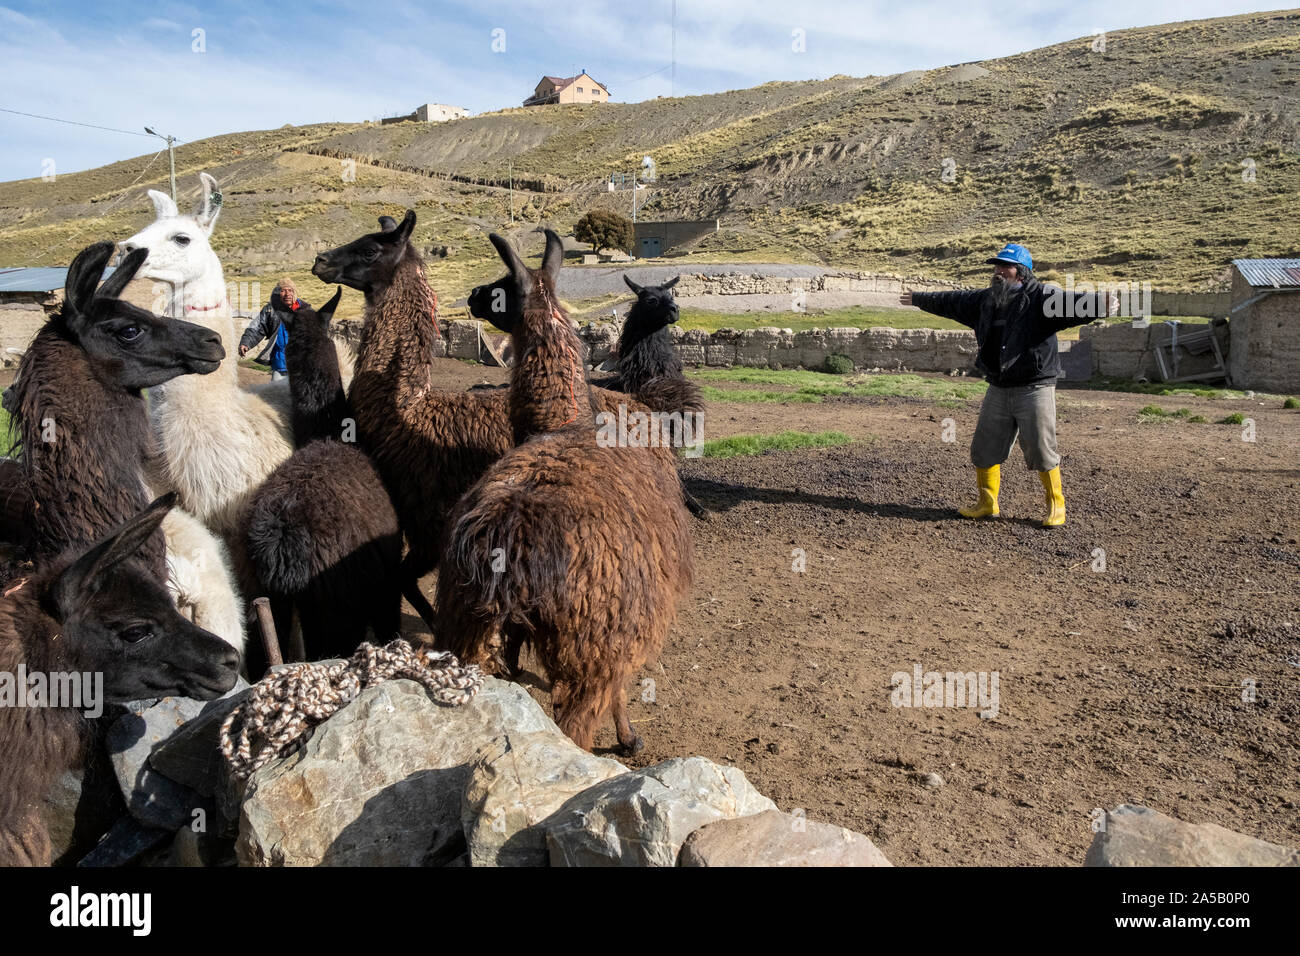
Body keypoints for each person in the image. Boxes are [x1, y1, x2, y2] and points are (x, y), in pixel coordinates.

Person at [900, 243, 1110, 528]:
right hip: (998, 385)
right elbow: (951, 300)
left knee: (1040, 447)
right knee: (984, 447)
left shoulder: (1041, 297)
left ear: (1021, 272)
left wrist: (1100, 305)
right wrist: (919, 298)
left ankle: (1056, 504)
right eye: (996, 266)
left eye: (1005, 266)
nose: (998, 271)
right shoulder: (985, 300)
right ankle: (987, 503)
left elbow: (1072, 304)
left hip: (1034, 386)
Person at [240, 278, 308, 382]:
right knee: (277, 395)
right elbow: (257, 328)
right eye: (283, 290)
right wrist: (246, 343)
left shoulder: (305, 310)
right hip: (280, 365)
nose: (287, 294)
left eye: (290, 290)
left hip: (302, 365)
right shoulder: (270, 310)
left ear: (295, 293)